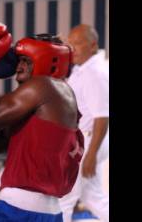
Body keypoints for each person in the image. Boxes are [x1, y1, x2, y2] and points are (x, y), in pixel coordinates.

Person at [0, 20, 84, 221]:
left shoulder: (44, 86)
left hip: (18, 211)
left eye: (26, 61)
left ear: (47, 60)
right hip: (46, 213)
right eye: (19, 61)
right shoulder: (46, 102)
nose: (18, 67)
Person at [59, 24, 109, 222]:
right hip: (83, 139)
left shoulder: (94, 72)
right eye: (71, 44)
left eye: (78, 43)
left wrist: (91, 154)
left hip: (89, 139)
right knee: (92, 197)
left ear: (93, 45)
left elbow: (102, 115)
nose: (73, 48)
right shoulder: (82, 69)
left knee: (64, 195)